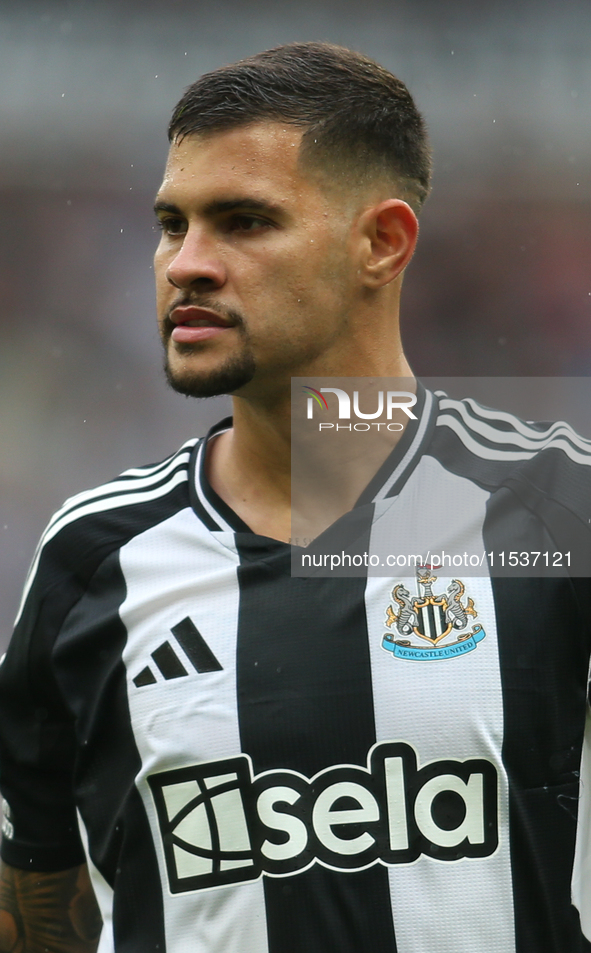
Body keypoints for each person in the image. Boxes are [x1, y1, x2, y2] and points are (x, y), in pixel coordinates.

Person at [0, 41, 590, 953]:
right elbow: (37, 908)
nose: (185, 263)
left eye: (243, 221)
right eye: (171, 224)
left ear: (381, 243)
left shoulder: (553, 512)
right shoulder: (93, 556)